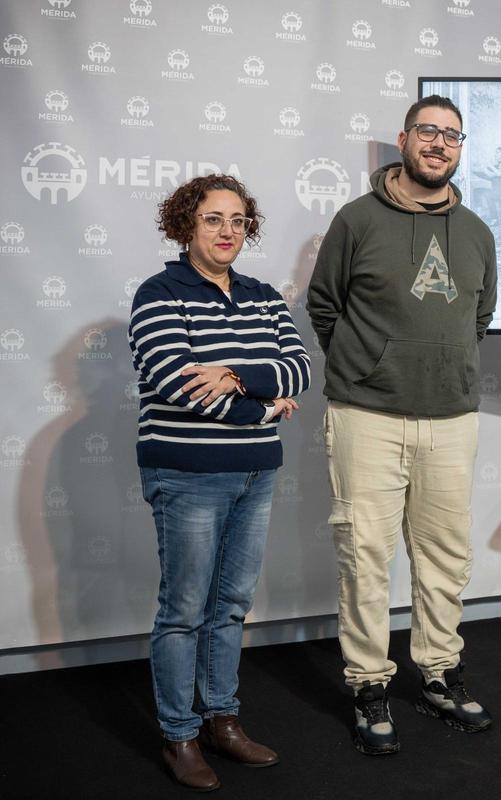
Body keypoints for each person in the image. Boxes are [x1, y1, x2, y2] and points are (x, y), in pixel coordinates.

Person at [307, 95, 498, 755]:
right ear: (404, 140)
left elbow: (480, 316)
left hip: (452, 417)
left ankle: (441, 672)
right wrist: (372, 369)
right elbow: (324, 305)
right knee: (364, 557)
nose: (439, 143)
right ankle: (368, 683)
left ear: (459, 147)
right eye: (428, 132)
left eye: (451, 134)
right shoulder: (356, 220)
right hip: (367, 416)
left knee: (446, 555)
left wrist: (441, 371)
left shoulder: (475, 231)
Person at [129, 174, 309, 791]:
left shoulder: (261, 295)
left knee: (230, 606)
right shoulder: (159, 294)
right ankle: (179, 734)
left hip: (256, 474)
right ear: (186, 226)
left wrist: (232, 370)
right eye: (213, 219)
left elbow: (300, 368)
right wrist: (261, 406)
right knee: (183, 610)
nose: (228, 230)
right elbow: (178, 384)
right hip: (187, 476)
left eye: (237, 220)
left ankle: (221, 719)